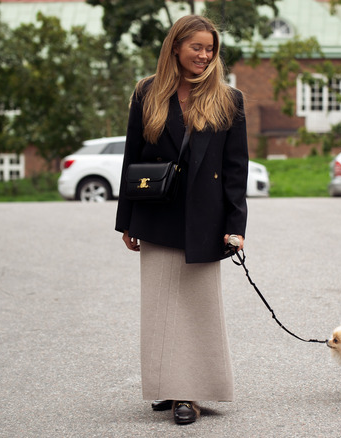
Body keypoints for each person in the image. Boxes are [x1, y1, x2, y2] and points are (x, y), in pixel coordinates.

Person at [114, 15, 248, 426]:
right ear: (175, 47)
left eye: (210, 49)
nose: (204, 56)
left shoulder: (229, 99)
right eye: (197, 48)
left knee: (197, 308)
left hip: (205, 219)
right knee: (159, 308)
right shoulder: (147, 93)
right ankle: (166, 386)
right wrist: (126, 222)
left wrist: (236, 226)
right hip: (156, 212)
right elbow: (131, 157)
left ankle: (189, 393)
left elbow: (235, 169)